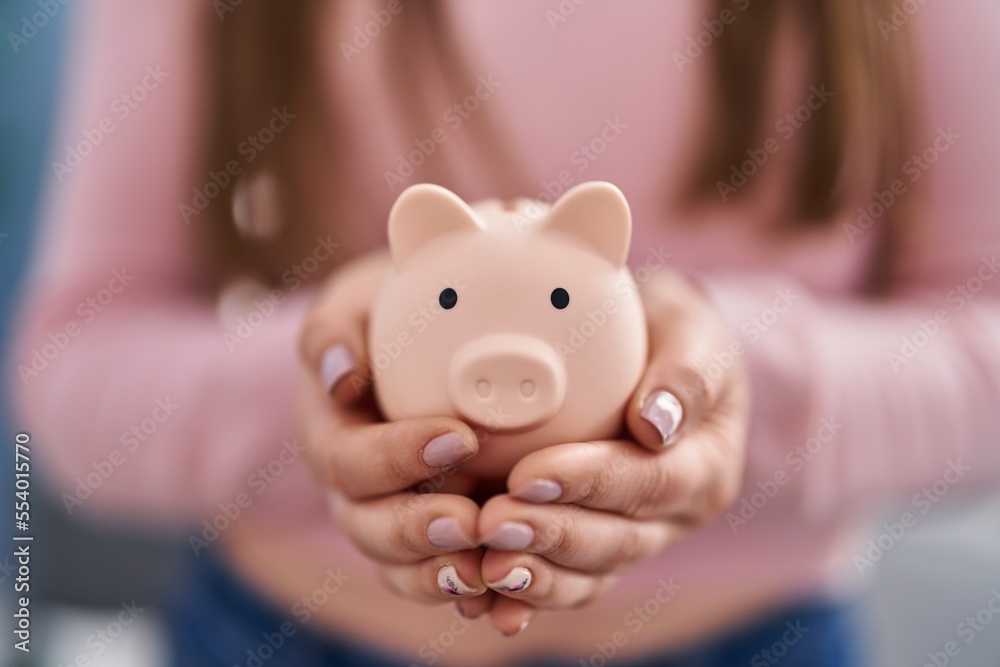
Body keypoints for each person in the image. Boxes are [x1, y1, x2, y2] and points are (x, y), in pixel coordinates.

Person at [9, 1, 1000, 665]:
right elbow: (77, 374)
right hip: (287, 631)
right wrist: (335, 382)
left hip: (754, 635)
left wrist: (748, 386)